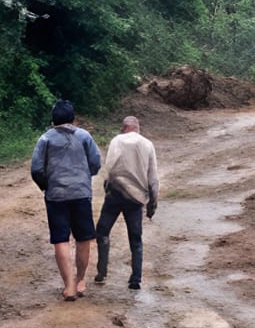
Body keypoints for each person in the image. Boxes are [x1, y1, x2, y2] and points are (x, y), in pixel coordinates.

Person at [31, 100, 102, 301]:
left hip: (56, 196)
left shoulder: (45, 139)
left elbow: (36, 169)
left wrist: (47, 185)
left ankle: (68, 285)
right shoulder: (84, 136)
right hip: (81, 194)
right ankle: (80, 281)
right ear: (73, 119)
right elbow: (96, 163)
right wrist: (84, 177)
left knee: (60, 239)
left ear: (53, 120)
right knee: (83, 238)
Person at [93, 115, 160, 290]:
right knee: (136, 238)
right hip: (136, 198)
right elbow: (153, 178)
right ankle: (135, 279)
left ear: (123, 128)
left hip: (115, 195)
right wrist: (152, 203)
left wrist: (107, 187)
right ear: (138, 128)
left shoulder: (116, 140)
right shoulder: (147, 144)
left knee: (102, 231)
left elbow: (109, 167)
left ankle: (101, 272)